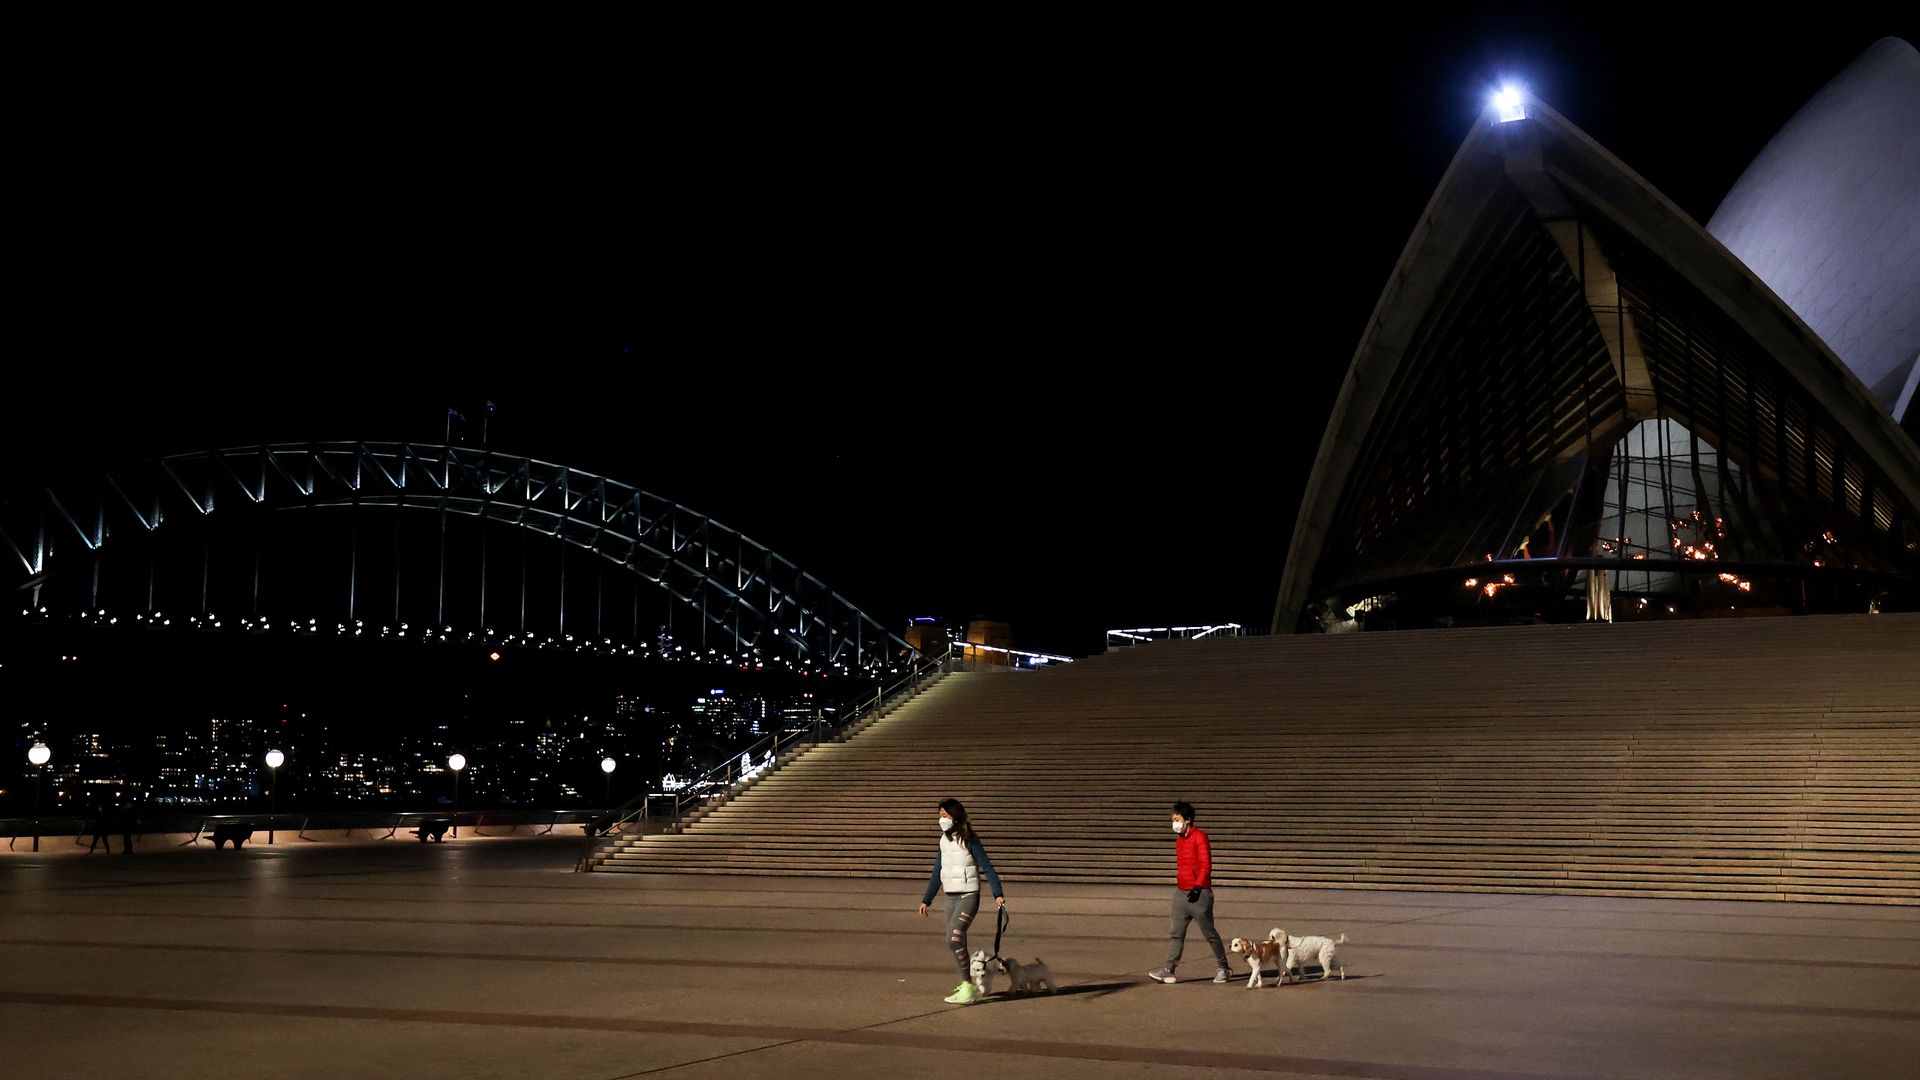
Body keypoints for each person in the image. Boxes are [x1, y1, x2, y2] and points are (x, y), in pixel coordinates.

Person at [916, 798, 1004, 1004]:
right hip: (951, 898)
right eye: (939, 816)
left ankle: (968, 987)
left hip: (968, 896)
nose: (942, 820)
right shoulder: (943, 841)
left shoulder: (970, 839)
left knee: (953, 938)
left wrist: (997, 893)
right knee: (956, 942)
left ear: (955, 816)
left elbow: (987, 866)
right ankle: (966, 985)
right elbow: (938, 872)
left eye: (945, 816)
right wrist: (926, 900)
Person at [1147, 801, 1232, 984]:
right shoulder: (1180, 839)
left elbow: (1205, 865)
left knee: (1209, 933)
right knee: (1176, 933)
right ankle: (1169, 970)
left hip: (1199, 894)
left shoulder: (1200, 837)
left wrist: (1198, 887)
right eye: (1172, 819)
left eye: (1177, 819)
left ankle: (1224, 968)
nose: (1174, 823)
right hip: (1181, 894)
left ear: (1188, 820)